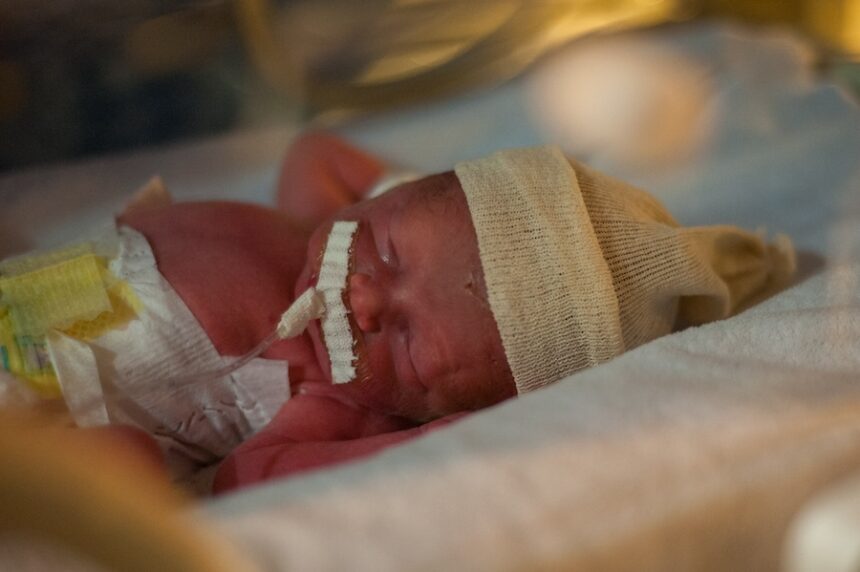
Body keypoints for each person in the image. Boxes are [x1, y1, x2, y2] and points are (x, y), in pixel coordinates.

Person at [0, 133, 795, 494]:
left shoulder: (334, 402)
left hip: (32, 415)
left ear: (432, 405)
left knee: (129, 465)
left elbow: (248, 474)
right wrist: (399, 188)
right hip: (16, 297)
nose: (368, 299)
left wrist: (429, 442)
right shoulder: (312, 218)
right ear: (395, 198)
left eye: (411, 346)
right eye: (388, 249)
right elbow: (313, 149)